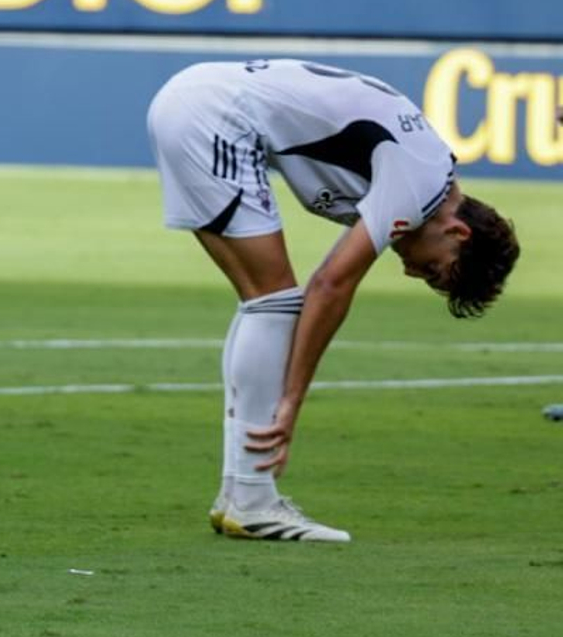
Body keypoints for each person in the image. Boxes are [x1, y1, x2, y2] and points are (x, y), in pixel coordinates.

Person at [147, 59, 520, 543]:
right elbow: (331, 285)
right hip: (214, 116)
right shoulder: (421, 184)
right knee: (274, 300)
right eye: (433, 269)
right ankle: (253, 500)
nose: (410, 271)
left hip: (198, 101)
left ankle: (239, 493)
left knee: (264, 300)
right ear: (458, 232)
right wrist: (291, 401)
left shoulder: (426, 173)